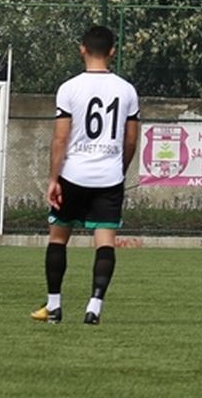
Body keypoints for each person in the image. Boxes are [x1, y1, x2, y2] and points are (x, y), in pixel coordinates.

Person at [32, 24, 139, 326]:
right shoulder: (127, 90)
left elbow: (60, 139)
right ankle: (94, 307)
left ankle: (54, 306)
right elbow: (131, 140)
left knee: (58, 238)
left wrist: (54, 179)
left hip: (73, 175)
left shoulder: (69, 88)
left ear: (82, 49)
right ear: (112, 52)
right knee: (105, 242)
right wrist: (119, 169)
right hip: (109, 177)